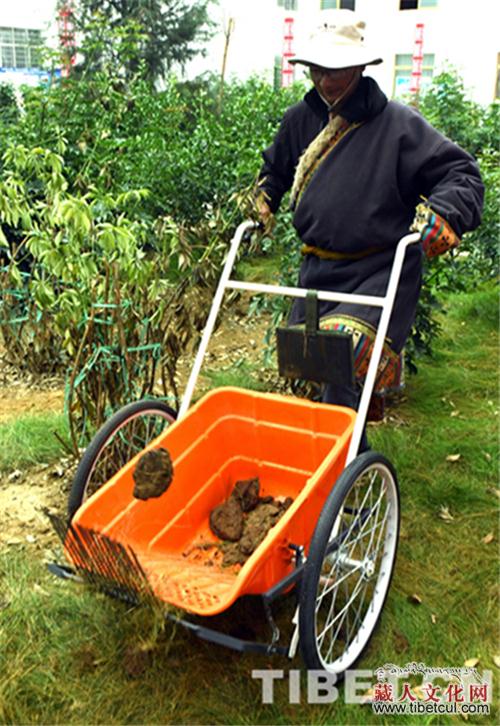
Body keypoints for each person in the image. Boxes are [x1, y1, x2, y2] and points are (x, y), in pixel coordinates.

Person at [256, 13, 484, 450]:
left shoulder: (397, 124)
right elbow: (275, 170)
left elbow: (461, 173)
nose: (325, 81)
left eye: (336, 70)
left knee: (342, 358)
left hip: (377, 270)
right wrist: (263, 199)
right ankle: (335, 460)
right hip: (317, 272)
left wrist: (446, 213)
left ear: (360, 67)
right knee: (310, 366)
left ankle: (348, 473)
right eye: (317, 69)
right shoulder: (300, 119)